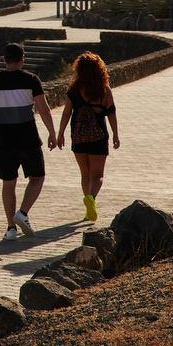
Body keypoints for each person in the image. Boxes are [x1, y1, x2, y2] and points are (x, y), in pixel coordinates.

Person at [0, 42, 58, 241]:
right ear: (22, 59)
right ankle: (22, 213)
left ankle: (11, 228)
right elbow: (43, 109)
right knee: (37, 178)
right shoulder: (31, 80)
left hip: (3, 140)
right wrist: (52, 133)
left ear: (4, 60)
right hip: (28, 138)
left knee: (8, 183)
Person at [55, 51, 120, 223]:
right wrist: (115, 134)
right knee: (97, 175)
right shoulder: (104, 90)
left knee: (85, 174)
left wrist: (60, 133)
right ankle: (91, 198)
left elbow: (67, 113)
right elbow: (111, 113)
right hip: (99, 137)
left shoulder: (74, 89)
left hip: (78, 137)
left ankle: (88, 208)